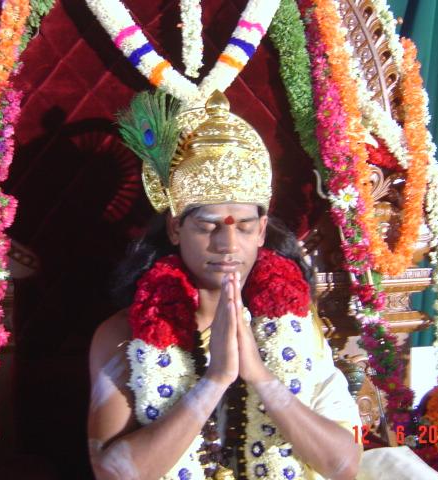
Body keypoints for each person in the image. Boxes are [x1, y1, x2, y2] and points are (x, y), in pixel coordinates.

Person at [88, 91, 362, 479]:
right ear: (175, 228)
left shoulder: (297, 326)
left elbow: (343, 465)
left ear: (262, 232)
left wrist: (261, 378)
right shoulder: (121, 335)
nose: (228, 244)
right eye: (207, 225)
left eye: (245, 227)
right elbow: (112, 473)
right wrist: (214, 381)